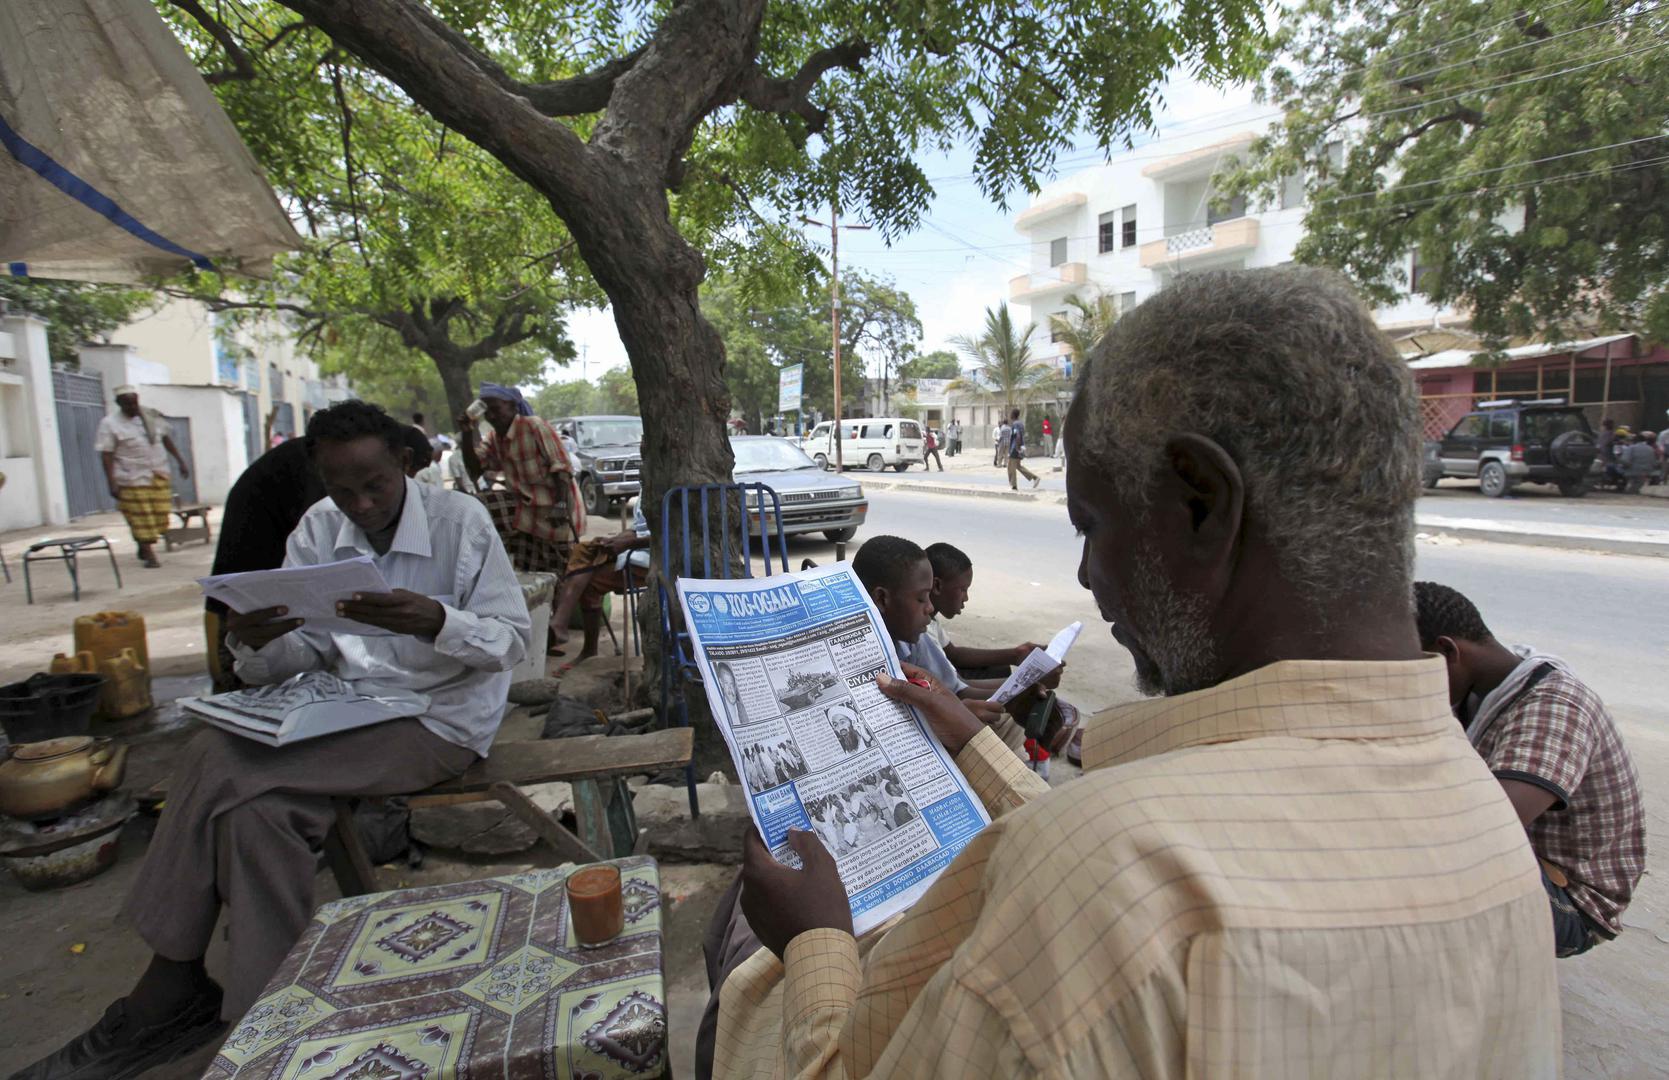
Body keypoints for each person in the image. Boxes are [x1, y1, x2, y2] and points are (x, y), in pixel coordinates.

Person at [698, 266, 1558, 1079]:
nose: (1085, 576)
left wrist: (812, 942)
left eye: (1091, 522)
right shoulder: (1484, 821)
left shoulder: (1106, 880)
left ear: (1197, 503)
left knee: (736, 931)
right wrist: (977, 749)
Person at [18, 401, 532, 1080]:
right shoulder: (320, 527)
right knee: (258, 814)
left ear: (404, 464)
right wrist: (254, 642)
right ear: (322, 481)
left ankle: (169, 983)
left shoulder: (458, 521)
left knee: (214, 756)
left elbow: (513, 644)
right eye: (342, 489)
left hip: (438, 719)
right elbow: (302, 653)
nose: (362, 502)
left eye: (374, 483)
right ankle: (268, 1018)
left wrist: (437, 620)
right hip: (345, 710)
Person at [1413, 581, 1646, 957]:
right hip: (1523, 858)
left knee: (1417, 858)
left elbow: (1485, 828)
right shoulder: (1478, 689)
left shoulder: (1555, 705)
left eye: (1416, 669)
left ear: (1446, 650)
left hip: (1571, 900)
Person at [202, 438, 326, 691]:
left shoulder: (309, 457)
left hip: (251, 572)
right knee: (245, 665)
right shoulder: (318, 472)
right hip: (251, 579)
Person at [456, 382, 586, 574]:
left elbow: (562, 470)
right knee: (534, 575)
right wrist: (467, 433)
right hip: (525, 515)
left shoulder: (534, 427)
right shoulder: (494, 438)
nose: (491, 416)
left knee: (564, 575)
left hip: (553, 511)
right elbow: (475, 470)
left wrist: (561, 508)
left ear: (512, 407)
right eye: (487, 412)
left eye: (496, 410)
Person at [94, 385, 191, 568]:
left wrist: (180, 461)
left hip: (158, 472)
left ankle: (143, 544)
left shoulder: (150, 417)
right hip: (131, 476)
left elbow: (165, 439)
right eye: (127, 404)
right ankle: (149, 553)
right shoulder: (110, 424)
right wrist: (111, 482)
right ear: (119, 404)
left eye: (134, 402)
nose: (132, 407)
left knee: (160, 515)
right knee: (140, 516)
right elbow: (106, 454)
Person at [548, 500, 652, 662]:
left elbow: (674, 536)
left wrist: (628, 543)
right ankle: (560, 622)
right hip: (637, 549)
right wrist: (616, 540)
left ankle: (583, 645)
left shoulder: (671, 489)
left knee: (590, 582)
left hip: (658, 558)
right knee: (584, 550)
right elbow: (638, 528)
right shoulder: (646, 487)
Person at [924, 542, 1047, 678]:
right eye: (963, 590)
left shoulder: (931, 621)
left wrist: (1016, 654)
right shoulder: (923, 630)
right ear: (937, 586)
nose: (966, 598)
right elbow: (958, 688)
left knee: (1000, 669)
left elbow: (954, 654)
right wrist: (1028, 684)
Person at [1005, 407, 1041, 490]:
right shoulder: (1020, 423)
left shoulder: (1015, 424)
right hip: (1019, 447)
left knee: (1011, 467)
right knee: (1018, 466)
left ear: (1013, 415)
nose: (1009, 415)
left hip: (1015, 448)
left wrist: (1017, 448)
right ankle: (1034, 478)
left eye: (1011, 413)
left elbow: (1017, 436)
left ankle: (1013, 485)